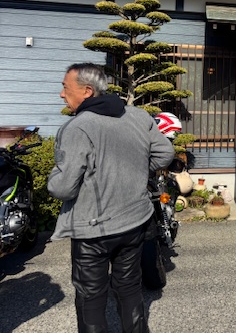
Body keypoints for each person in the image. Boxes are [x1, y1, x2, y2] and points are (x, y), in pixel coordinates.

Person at [48, 63, 175, 333]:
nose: (61, 94)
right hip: (135, 221)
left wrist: (53, 178)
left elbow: (64, 188)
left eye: (65, 88)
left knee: (91, 298)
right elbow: (165, 154)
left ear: (87, 91)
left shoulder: (77, 127)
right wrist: (136, 171)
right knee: (129, 287)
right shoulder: (138, 116)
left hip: (93, 229)